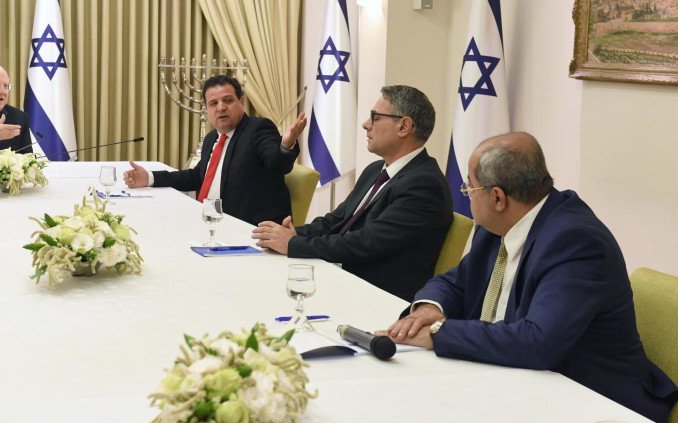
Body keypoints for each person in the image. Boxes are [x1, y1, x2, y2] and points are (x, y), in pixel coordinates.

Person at [379, 132, 678, 422]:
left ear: (498, 198)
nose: (467, 196)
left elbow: (538, 342)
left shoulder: (576, 241)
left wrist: (439, 333)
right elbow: (456, 282)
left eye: (469, 189)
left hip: (591, 400)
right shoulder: (499, 224)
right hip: (513, 381)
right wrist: (430, 308)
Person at [252, 85, 453, 302]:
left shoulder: (425, 184)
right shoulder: (376, 169)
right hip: (344, 276)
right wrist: (290, 235)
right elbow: (336, 221)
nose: (366, 124)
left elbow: (366, 242)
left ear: (404, 126)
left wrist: (293, 244)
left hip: (376, 295)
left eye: (375, 117)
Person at [124, 75, 306, 226]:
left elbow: (276, 162)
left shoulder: (257, 128)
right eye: (213, 103)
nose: (221, 107)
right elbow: (198, 176)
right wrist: (150, 178)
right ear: (206, 109)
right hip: (210, 222)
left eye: (228, 100)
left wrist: (285, 145)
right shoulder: (212, 138)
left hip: (246, 227)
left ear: (241, 102)